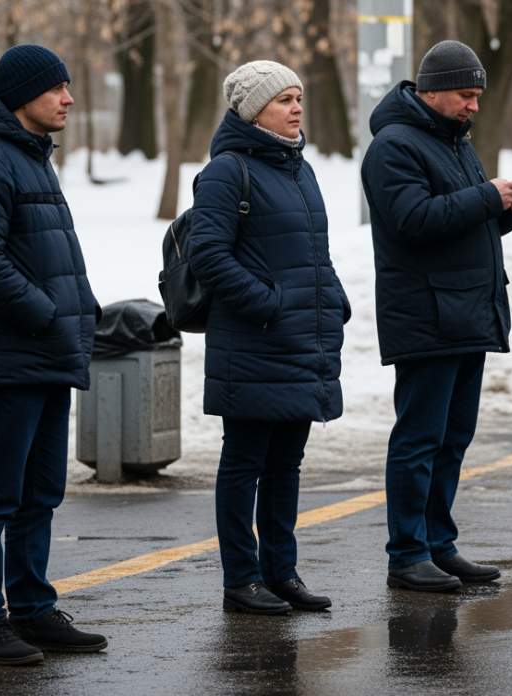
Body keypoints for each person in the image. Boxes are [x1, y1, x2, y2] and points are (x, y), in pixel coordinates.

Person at [0, 44, 105, 664]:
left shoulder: (32, 158)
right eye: (57, 89)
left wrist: (81, 311)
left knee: (41, 493)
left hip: (45, 354)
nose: (69, 99)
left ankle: (33, 608)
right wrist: (44, 314)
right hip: (9, 356)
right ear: (22, 97)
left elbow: (53, 253)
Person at [360, 41, 512, 591]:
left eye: (478, 96)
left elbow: (458, 226)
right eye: (466, 95)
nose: (474, 107)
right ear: (432, 90)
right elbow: (413, 222)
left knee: (453, 438)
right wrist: (488, 196)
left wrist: (507, 211)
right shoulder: (393, 147)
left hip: (465, 314)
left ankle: (440, 545)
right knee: (419, 441)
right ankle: (407, 554)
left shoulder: (455, 143)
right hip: (426, 316)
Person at [188, 60, 351, 615]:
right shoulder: (227, 171)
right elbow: (209, 255)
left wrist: (333, 302)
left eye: (298, 96)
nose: (297, 107)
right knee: (245, 462)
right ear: (252, 109)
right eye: (283, 99)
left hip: (301, 339)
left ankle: (281, 572)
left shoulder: (298, 170)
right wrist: (267, 304)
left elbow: (315, 255)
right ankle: (242, 579)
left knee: (287, 463)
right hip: (254, 341)